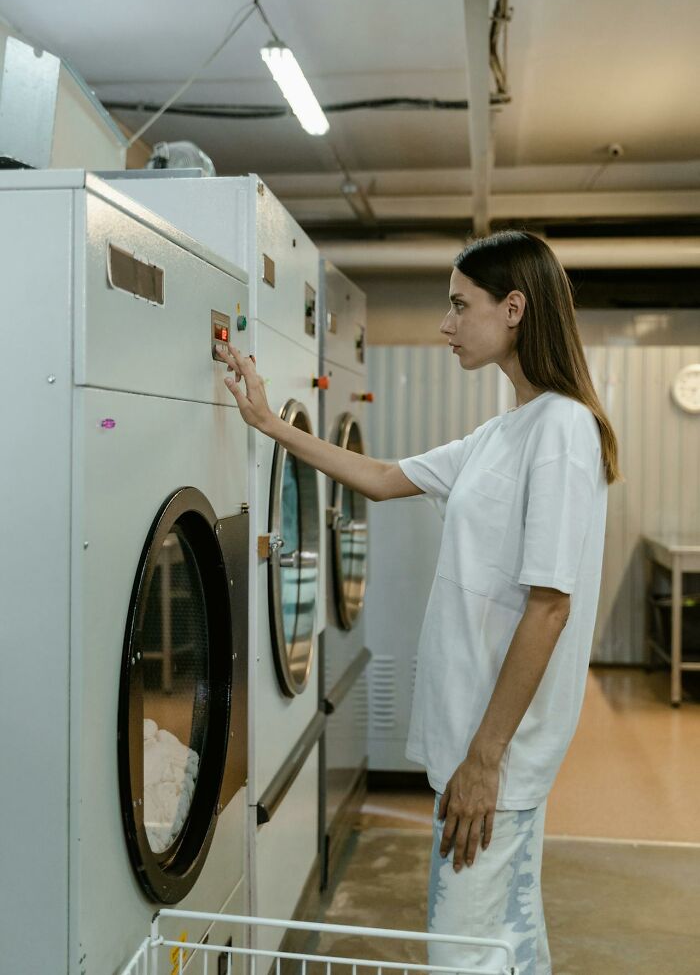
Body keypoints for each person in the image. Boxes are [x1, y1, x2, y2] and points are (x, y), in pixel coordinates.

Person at [217, 230, 621, 975]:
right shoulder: (505, 432)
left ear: (513, 309)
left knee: (466, 950)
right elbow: (378, 475)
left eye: (458, 306)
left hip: (496, 749)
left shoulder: (561, 430)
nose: (444, 325)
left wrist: (484, 760)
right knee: (504, 934)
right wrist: (273, 426)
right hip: (472, 734)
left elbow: (550, 608)